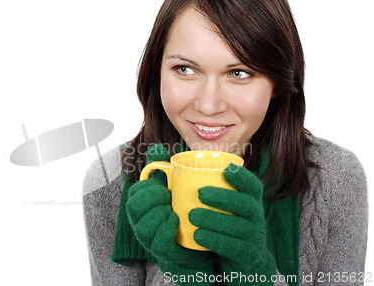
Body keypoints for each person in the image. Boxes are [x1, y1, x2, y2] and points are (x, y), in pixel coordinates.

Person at [83, 0, 368, 285]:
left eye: (239, 73)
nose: (208, 106)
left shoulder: (336, 179)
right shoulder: (111, 181)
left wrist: (255, 273)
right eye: (184, 69)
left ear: (278, 83)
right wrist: (186, 271)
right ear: (156, 71)